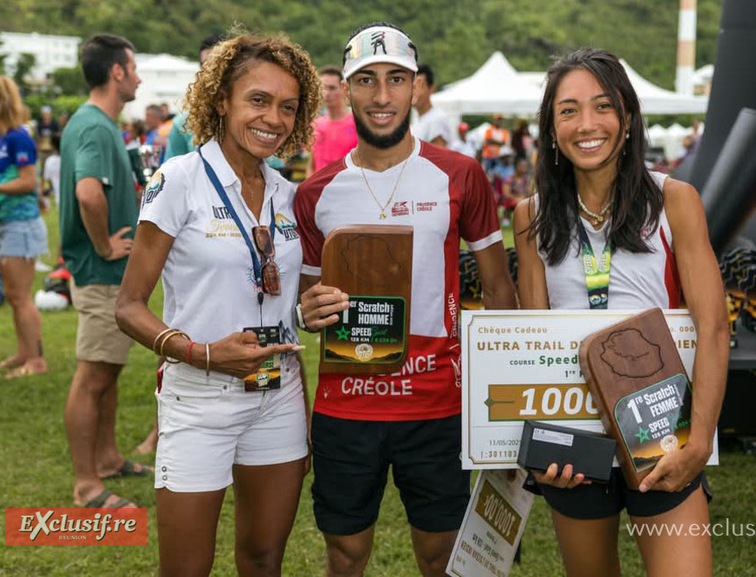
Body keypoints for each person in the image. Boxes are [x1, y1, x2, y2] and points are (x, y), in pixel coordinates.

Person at [295, 22, 517, 577]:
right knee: (345, 554)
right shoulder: (314, 194)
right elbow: (303, 304)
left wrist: (506, 396)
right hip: (345, 405)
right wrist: (307, 312)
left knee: (440, 555)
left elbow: (499, 290)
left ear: (415, 86)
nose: (382, 95)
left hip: (436, 405)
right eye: (366, 80)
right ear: (346, 90)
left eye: (396, 78)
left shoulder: (461, 175)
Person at [513, 48, 728, 576]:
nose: (586, 124)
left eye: (602, 106)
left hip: (663, 429)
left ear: (627, 119)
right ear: (551, 126)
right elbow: (534, 347)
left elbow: (714, 326)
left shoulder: (674, 200)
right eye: (568, 110)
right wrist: (547, 450)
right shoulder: (530, 216)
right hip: (577, 445)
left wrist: (699, 440)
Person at [115, 34, 321, 576]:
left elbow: (285, 302)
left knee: (262, 559)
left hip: (278, 393)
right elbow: (129, 306)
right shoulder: (178, 180)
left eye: (287, 107)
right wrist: (202, 352)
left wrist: (312, 311)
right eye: (258, 99)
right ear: (222, 101)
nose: (273, 118)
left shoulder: (286, 193)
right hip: (198, 397)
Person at [59, 33, 149, 510]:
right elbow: (89, 193)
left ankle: (110, 459)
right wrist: (105, 245)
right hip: (99, 271)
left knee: (107, 373)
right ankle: (86, 485)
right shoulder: (94, 126)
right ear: (116, 72)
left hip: (102, 273)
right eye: (133, 68)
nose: (138, 76)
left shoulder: (96, 123)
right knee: (92, 377)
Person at [0, 76, 49, 378]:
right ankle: (24, 353)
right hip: (8, 224)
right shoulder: (4, 140)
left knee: (20, 296)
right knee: (13, 295)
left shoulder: (18, 138)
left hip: (22, 226)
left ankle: (37, 361)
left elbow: (29, 182)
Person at [164, 33, 225, 161]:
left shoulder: (252, 119)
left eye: (218, 64)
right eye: (206, 65)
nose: (211, 71)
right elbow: (170, 177)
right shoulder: (183, 124)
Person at [306, 65, 357, 176]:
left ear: (344, 89)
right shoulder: (315, 124)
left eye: (332, 88)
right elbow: (311, 165)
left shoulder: (357, 124)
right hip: (319, 190)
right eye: (323, 88)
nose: (327, 93)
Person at [412, 63, 453, 148]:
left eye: (421, 86)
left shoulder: (437, 120)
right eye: (413, 87)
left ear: (432, 89)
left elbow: (439, 159)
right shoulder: (416, 119)